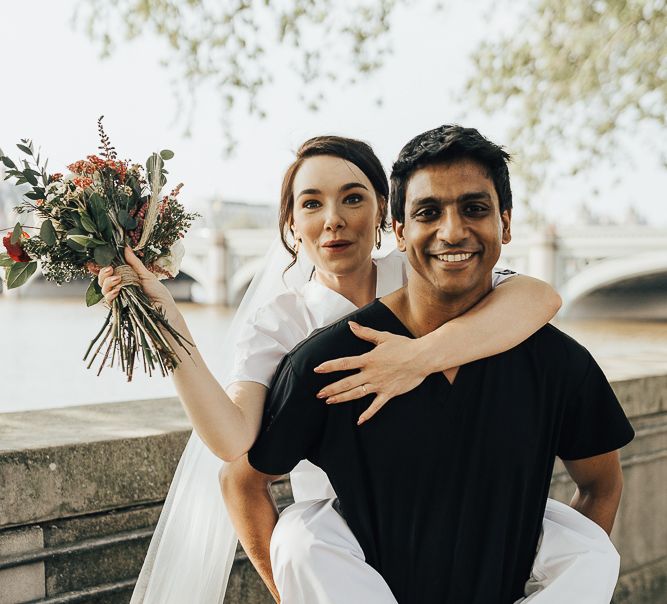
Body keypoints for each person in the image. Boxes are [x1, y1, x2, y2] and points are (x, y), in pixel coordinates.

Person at [99, 136, 560, 602]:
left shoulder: (421, 268)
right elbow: (233, 442)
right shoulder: (279, 322)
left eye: (353, 198)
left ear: (385, 210)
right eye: (312, 203)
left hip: (456, 524)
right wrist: (167, 325)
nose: (333, 220)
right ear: (292, 223)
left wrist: (416, 357)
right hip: (344, 548)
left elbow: (538, 298)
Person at [243, 126, 635, 604]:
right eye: (429, 213)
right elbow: (244, 480)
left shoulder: (558, 363)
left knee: (592, 551)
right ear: (400, 232)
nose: (452, 231)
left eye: (474, 209)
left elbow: (601, 486)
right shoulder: (327, 362)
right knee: (298, 536)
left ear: (505, 224)